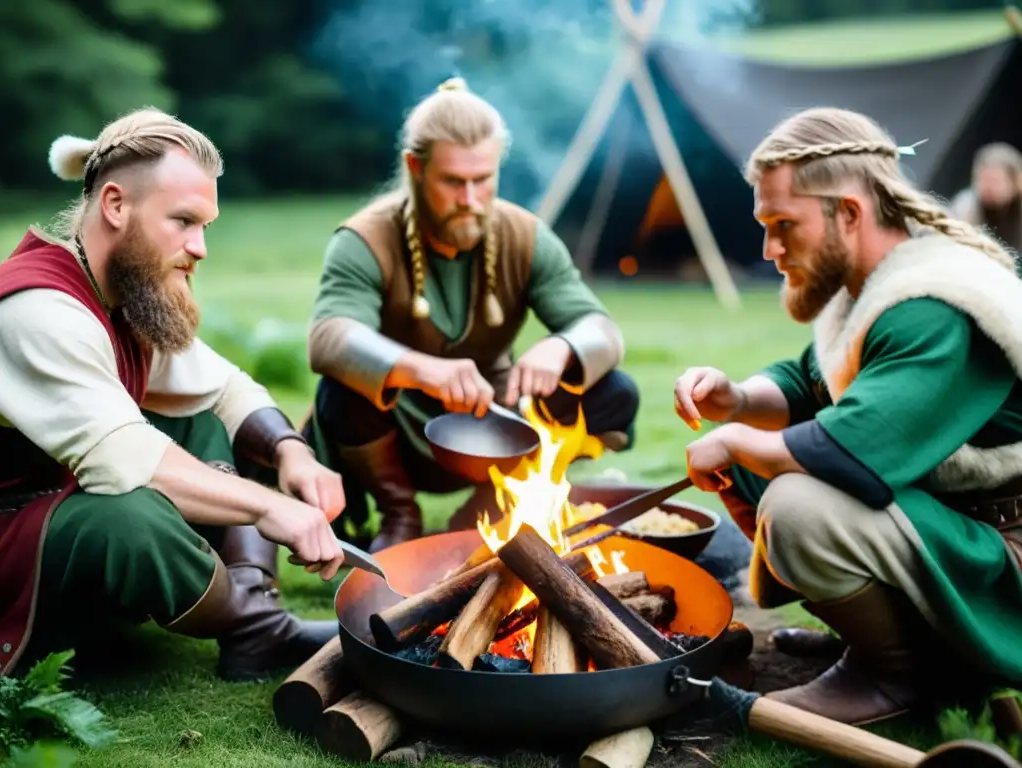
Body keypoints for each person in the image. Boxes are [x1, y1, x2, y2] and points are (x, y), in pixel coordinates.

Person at [672, 106, 1022, 725]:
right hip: (953, 524)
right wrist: (736, 399)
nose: (770, 249)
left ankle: (892, 676)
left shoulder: (934, 305)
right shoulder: (879, 283)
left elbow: (851, 446)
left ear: (850, 213)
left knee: (800, 508)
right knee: (757, 467)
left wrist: (732, 439)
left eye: (784, 224)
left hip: (1006, 559)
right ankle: (891, 640)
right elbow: (811, 382)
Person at [0, 107, 349, 684]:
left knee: (203, 419)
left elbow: (227, 390)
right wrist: (270, 506)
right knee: (130, 516)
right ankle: (259, 627)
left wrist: (292, 452)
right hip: (11, 552)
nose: (201, 247)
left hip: (55, 507)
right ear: (115, 205)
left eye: (205, 225)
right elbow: (125, 463)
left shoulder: (124, 295)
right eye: (183, 221)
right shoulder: (35, 310)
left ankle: (253, 628)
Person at [304, 78, 639, 552]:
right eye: (453, 182)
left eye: (483, 180)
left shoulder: (524, 235)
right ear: (415, 167)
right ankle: (400, 514)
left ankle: (484, 510)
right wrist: (424, 372)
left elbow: (602, 331)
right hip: (395, 430)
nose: (470, 199)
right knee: (339, 390)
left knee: (613, 391)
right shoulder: (364, 239)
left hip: (496, 425)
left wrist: (562, 348)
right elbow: (328, 337)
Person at [949, 142, 1022, 254]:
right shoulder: (965, 207)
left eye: (995, 181)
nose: (987, 188)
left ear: (1016, 181)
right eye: (982, 180)